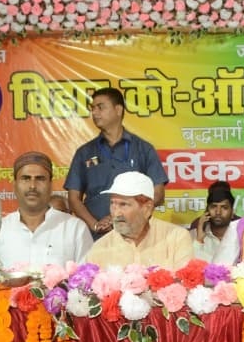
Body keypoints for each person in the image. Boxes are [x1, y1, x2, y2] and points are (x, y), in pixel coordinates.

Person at [65, 87, 168, 239]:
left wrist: (120, 216)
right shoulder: (84, 152)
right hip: (95, 237)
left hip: (136, 235)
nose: (94, 113)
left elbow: (157, 195)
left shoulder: (143, 149)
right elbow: (73, 198)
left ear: (118, 110)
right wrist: (95, 225)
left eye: (100, 107)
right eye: (93, 108)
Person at [0, 151, 92, 269]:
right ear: (14, 185)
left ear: (50, 185)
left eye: (40, 179)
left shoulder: (74, 229)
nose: (32, 186)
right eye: (25, 178)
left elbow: (87, 276)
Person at [84, 172, 193, 268]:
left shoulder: (176, 238)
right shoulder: (100, 248)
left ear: (147, 208)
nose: (116, 213)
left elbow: (185, 282)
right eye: (113, 204)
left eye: (123, 204)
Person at [189, 181, 238, 262]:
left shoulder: (241, 235)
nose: (218, 212)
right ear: (207, 210)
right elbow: (189, 265)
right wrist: (199, 240)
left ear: (232, 212)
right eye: (213, 207)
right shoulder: (193, 234)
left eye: (224, 207)